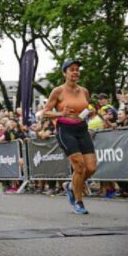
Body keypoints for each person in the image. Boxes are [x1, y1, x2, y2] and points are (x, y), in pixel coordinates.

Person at [43, 58, 96, 215]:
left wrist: (90, 113)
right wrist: (60, 113)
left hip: (81, 128)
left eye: (77, 69)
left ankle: (71, 186)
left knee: (91, 168)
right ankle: (78, 202)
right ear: (64, 72)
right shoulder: (58, 91)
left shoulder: (84, 91)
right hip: (65, 130)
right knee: (79, 166)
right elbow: (45, 112)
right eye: (71, 69)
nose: (75, 72)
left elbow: (86, 110)